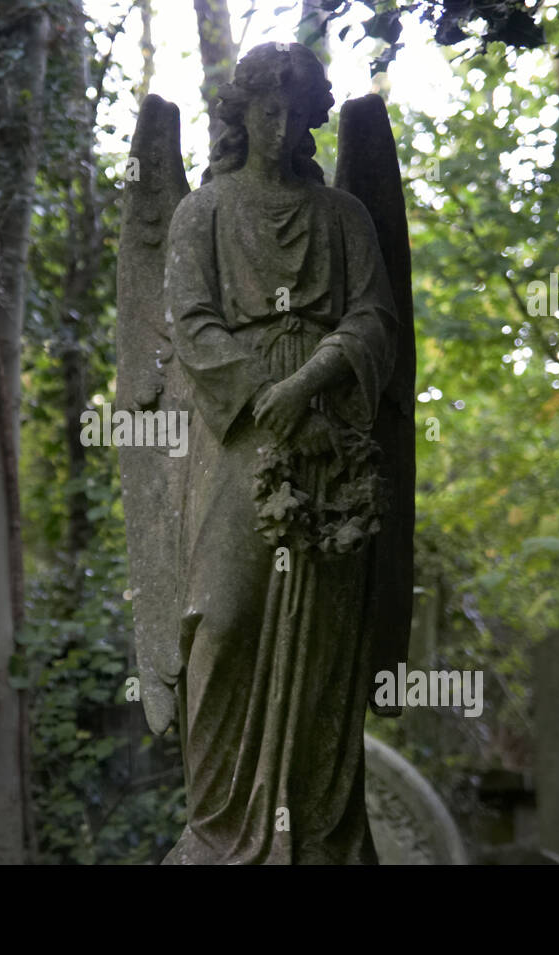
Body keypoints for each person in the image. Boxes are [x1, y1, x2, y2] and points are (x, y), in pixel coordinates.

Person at [162, 42, 398, 864]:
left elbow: (373, 320)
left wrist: (309, 385)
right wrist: (265, 393)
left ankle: (319, 828)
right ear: (241, 112)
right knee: (222, 619)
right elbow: (191, 324)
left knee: (328, 635)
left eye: (297, 113)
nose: (282, 124)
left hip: (329, 433)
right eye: (267, 108)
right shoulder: (205, 212)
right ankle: (219, 826)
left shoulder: (344, 217)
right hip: (238, 437)